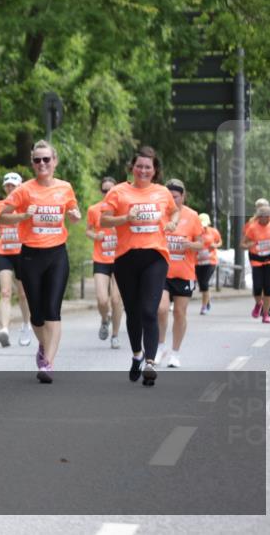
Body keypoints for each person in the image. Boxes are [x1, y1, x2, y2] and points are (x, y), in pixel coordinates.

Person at [0, 140, 81, 384]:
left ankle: (48, 363)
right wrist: (24, 215)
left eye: (46, 159)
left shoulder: (65, 187)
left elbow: (74, 212)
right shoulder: (24, 189)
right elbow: (3, 214)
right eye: (37, 160)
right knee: (36, 315)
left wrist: (75, 215)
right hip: (31, 255)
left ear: (54, 161)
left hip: (57, 254)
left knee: (52, 310)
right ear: (32, 163)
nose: (42, 164)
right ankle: (45, 347)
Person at [99, 146, 179, 387]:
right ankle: (137, 355)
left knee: (148, 311)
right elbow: (103, 219)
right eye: (139, 166)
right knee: (133, 312)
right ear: (132, 168)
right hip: (125, 258)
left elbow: (174, 213)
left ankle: (150, 363)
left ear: (154, 171)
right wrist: (125, 218)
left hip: (155, 256)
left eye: (148, 167)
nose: (143, 170)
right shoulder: (118, 192)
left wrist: (173, 224)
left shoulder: (162, 192)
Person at [155, 179, 203, 368]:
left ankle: (175, 352)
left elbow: (201, 243)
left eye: (176, 196)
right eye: (169, 196)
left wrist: (190, 245)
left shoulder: (192, 216)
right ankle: (160, 347)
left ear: (183, 196)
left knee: (180, 314)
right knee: (161, 309)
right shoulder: (160, 214)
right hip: (162, 272)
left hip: (184, 272)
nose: (172, 200)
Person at [0, 172, 33, 348]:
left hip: (21, 252)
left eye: (13, 185)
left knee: (23, 294)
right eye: (7, 185)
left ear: (20, 186)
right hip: (4, 251)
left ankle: (26, 325)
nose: (10, 188)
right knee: (5, 292)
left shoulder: (27, 205)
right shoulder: (1, 204)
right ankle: (4, 329)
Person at [86, 176, 124, 348]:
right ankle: (104, 319)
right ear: (101, 192)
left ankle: (115, 335)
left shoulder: (123, 210)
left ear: (116, 191)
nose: (108, 193)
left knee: (116, 299)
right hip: (101, 259)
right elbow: (88, 231)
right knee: (102, 300)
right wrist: (96, 235)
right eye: (104, 190)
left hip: (120, 259)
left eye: (111, 189)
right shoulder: (94, 210)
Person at [242, 204, 270, 324]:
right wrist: (249, 245)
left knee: (267, 288)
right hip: (256, 260)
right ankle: (258, 303)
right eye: (264, 217)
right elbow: (242, 244)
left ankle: (265, 314)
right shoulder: (252, 228)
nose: (266, 220)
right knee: (257, 287)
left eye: (268, 217)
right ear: (259, 217)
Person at [195, 213, 221, 315]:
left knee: (205, 283)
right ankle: (207, 300)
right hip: (198, 261)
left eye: (205, 224)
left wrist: (215, 245)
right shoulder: (194, 232)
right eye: (201, 224)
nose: (203, 227)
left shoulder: (213, 232)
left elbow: (219, 242)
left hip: (210, 261)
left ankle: (204, 306)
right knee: (201, 284)